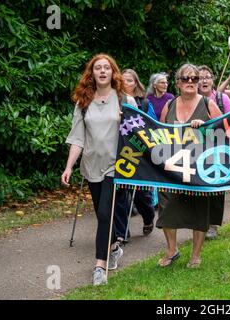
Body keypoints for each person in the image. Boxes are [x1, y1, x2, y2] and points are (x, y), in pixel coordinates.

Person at [61, 54, 137, 285]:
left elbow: (139, 136)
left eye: (106, 67)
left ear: (113, 72)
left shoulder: (126, 100)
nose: (102, 71)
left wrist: (129, 123)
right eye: (98, 68)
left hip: (119, 166)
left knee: (105, 213)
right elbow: (77, 138)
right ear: (91, 73)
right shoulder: (83, 103)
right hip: (91, 165)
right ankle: (114, 247)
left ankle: (99, 267)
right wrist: (68, 167)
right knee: (101, 213)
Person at [156, 63, 222, 268]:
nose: (191, 82)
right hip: (174, 165)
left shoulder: (208, 103)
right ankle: (172, 250)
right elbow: (160, 133)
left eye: (194, 78)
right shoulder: (170, 105)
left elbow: (224, 131)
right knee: (166, 205)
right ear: (178, 83)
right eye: (186, 78)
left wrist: (206, 127)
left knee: (199, 208)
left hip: (199, 165)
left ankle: (195, 255)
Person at [114, 69, 156, 241]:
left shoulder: (144, 103)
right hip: (119, 150)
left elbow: (153, 126)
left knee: (140, 193)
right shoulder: (112, 100)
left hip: (138, 150)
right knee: (121, 191)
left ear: (136, 83)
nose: (125, 84)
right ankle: (122, 233)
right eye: (122, 80)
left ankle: (148, 217)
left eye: (129, 81)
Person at [197, 65, 230, 240]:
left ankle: (213, 225)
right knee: (199, 185)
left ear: (212, 80)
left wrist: (211, 121)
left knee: (216, 187)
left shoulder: (222, 98)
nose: (204, 80)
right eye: (200, 77)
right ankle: (199, 222)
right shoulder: (190, 100)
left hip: (218, 147)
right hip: (195, 149)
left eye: (207, 77)